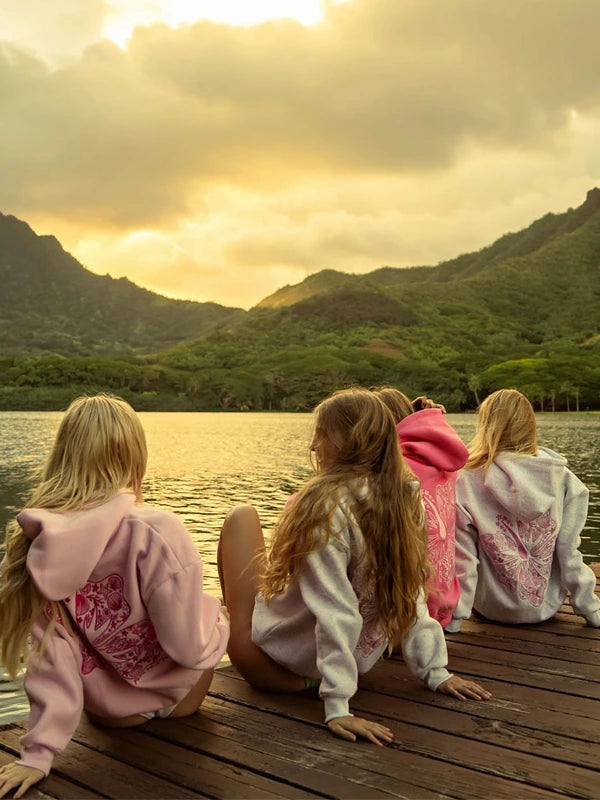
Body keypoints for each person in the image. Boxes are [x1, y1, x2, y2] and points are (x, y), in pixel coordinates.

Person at [218, 387, 491, 748]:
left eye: (322, 435)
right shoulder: (406, 498)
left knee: (242, 518)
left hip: (274, 664)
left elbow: (336, 609)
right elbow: (412, 594)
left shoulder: (324, 506)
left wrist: (338, 707)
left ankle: (235, 623)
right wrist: (435, 672)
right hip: (350, 667)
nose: (314, 447)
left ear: (348, 441)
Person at [0, 394, 229, 799]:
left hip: (110, 714)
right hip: (179, 698)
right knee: (211, 614)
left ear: (63, 455)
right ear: (134, 455)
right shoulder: (155, 530)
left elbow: (52, 660)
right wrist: (220, 625)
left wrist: (37, 755)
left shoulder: (37, 546)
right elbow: (188, 647)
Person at [446, 389, 600, 632]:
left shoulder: (464, 480)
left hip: (489, 609)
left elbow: (464, 561)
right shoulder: (565, 479)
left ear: (486, 425)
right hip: (545, 609)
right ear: (530, 424)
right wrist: (591, 610)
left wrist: (455, 621)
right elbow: (569, 553)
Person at [375, 387, 468, 628]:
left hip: (408, 613)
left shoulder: (395, 469)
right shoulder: (443, 461)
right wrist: (428, 421)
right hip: (443, 603)